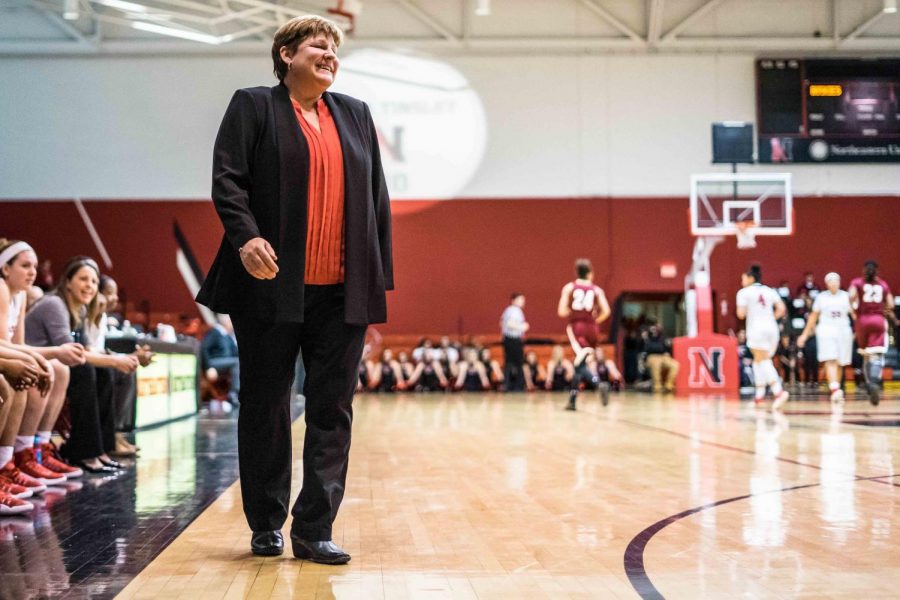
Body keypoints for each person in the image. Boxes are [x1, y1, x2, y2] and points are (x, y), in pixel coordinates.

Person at [194, 15, 394, 563]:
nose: (329, 54)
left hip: (341, 290)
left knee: (333, 407)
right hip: (269, 285)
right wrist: (246, 238)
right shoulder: (254, 105)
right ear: (286, 54)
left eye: (334, 48)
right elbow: (227, 178)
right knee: (265, 403)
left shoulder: (355, 113)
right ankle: (265, 522)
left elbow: (377, 198)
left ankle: (314, 527)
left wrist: (378, 274)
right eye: (317, 45)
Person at [26, 257, 139, 473]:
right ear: (68, 282)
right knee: (86, 370)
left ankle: (101, 449)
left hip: (58, 366)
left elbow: (86, 349)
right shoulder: (54, 304)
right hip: (36, 362)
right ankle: (84, 452)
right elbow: (73, 354)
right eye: (83, 279)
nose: (90, 286)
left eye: (94, 282)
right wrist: (115, 360)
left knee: (103, 371)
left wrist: (117, 359)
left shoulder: (80, 311)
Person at [557, 259, 611, 410]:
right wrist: (594, 319)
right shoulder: (597, 289)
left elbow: (561, 311)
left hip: (577, 327)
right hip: (592, 328)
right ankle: (572, 401)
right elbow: (606, 311)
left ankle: (598, 384)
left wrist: (572, 313)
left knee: (580, 365)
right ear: (590, 273)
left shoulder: (569, 287)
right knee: (579, 363)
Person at [736, 264, 789, 411]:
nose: (742, 282)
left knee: (763, 360)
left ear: (751, 278)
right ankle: (759, 395)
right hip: (772, 328)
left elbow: (740, 314)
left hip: (757, 328)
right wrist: (770, 317)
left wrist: (752, 312)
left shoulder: (744, 292)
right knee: (758, 361)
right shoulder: (769, 290)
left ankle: (778, 391)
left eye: (743, 278)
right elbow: (781, 308)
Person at [797, 272, 854, 406]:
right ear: (827, 283)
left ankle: (836, 388)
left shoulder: (847, 297)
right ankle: (834, 389)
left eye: (836, 280)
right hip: (827, 331)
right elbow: (813, 317)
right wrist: (804, 335)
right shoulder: (821, 298)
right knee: (830, 359)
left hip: (843, 330)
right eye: (831, 280)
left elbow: (855, 315)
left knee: (840, 362)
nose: (834, 283)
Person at [848, 260, 894, 406]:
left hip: (862, 320)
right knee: (877, 354)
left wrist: (854, 309)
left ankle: (868, 383)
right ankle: (874, 381)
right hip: (878, 319)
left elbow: (851, 297)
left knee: (866, 354)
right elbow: (891, 304)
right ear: (877, 271)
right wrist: (884, 311)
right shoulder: (883, 284)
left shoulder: (857, 282)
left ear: (863, 270)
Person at [201, 315, 240, 405]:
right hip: (214, 363)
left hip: (227, 363)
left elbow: (236, 352)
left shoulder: (227, 336)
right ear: (226, 322)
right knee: (236, 363)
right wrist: (208, 367)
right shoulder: (215, 332)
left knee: (240, 362)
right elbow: (203, 348)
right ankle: (234, 394)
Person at [500, 293, 529, 391]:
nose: (523, 302)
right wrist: (522, 327)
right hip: (513, 339)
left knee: (509, 363)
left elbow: (502, 323)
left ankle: (507, 385)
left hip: (509, 339)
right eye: (521, 299)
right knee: (518, 363)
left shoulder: (508, 310)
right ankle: (518, 386)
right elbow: (509, 324)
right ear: (514, 300)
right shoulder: (514, 310)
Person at [642, 323, 679, 393]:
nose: (654, 331)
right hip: (652, 356)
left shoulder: (663, 337)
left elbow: (667, 347)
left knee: (675, 364)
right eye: (653, 329)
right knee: (656, 364)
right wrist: (645, 338)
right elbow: (647, 349)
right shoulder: (647, 338)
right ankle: (657, 387)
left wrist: (667, 350)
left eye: (656, 329)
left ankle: (668, 385)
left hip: (663, 356)